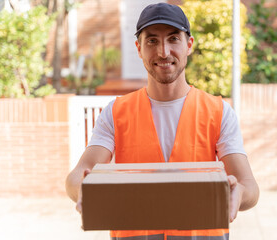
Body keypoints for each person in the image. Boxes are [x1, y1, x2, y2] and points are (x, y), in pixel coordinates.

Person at [66, 2, 259, 240]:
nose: (164, 52)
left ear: (189, 45)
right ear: (138, 48)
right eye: (152, 41)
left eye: (173, 39)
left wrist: (237, 192)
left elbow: (249, 187)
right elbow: (76, 176)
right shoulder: (116, 113)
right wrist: (84, 191)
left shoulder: (218, 112)